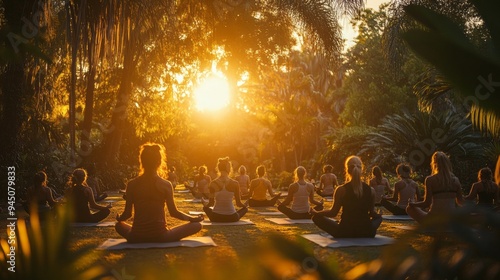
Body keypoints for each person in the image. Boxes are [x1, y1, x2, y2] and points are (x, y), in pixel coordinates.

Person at [115, 143, 203, 243]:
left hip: (136, 236)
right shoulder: (166, 184)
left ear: (142, 162)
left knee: (119, 225)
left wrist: (119, 218)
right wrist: (192, 218)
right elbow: (174, 213)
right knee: (197, 225)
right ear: (159, 162)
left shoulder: (132, 184)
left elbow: (127, 214)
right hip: (162, 236)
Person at [311, 156, 382, 238]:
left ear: (347, 170)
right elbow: (372, 213)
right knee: (379, 219)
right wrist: (379, 215)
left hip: (345, 231)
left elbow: (333, 213)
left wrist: (317, 213)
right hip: (366, 231)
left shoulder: (341, 190)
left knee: (316, 217)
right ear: (361, 169)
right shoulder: (371, 190)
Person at [406, 151, 464, 224]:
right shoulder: (456, 180)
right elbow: (461, 202)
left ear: (434, 163)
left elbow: (427, 203)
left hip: (434, 219)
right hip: (451, 219)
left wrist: (413, 204)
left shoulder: (430, 179)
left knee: (409, 208)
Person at [202, 157, 248, 222]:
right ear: (229, 169)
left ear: (218, 168)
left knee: (205, 208)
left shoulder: (213, 183)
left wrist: (204, 204)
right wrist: (245, 205)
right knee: (245, 209)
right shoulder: (235, 183)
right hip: (232, 217)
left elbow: (211, 203)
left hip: (215, 217)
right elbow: (238, 203)